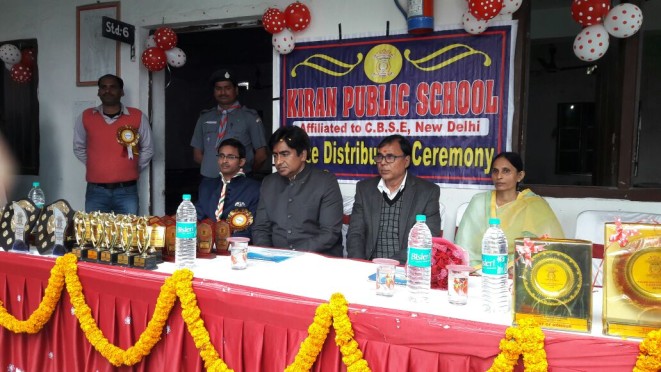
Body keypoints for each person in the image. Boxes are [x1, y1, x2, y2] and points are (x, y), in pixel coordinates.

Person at [455, 151, 565, 267]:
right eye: (495, 171)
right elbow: (464, 245)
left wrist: (515, 265)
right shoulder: (479, 202)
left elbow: (547, 245)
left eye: (506, 171)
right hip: (478, 269)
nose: (499, 176)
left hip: (519, 270)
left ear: (520, 176)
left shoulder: (533, 205)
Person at [346, 135, 441, 263]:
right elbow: (355, 234)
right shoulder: (365, 189)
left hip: (405, 268)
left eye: (390, 157)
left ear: (406, 161)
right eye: (380, 157)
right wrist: (360, 264)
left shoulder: (427, 192)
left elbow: (427, 240)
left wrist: (389, 266)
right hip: (368, 265)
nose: (383, 162)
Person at [252, 126, 343, 256]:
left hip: (317, 261)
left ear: (303, 155)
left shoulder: (325, 182)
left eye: (285, 154)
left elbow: (329, 233)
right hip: (275, 261)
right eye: (275, 155)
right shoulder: (269, 183)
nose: (278, 162)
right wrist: (268, 255)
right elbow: (261, 228)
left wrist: (292, 254)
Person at [73, 74, 153, 215]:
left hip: (127, 192)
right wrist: (95, 165)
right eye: (103, 87)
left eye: (113, 87)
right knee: (95, 236)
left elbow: (148, 148)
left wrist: (133, 166)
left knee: (128, 235)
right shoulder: (86, 116)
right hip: (96, 192)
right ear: (98, 92)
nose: (107, 91)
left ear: (122, 92)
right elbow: (78, 147)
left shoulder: (137, 116)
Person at [190, 69, 267, 208]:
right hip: (210, 181)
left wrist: (246, 171)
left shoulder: (249, 117)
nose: (223, 92)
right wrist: (215, 167)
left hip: (240, 182)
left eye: (227, 88)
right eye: (218, 89)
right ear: (214, 92)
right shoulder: (204, 118)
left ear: (236, 90)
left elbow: (261, 155)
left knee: (239, 221)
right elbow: (197, 155)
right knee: (207, 221)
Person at [196, 138, 260, 239]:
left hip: (239, 246)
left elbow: (255, 228)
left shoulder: (254, 189)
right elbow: (196, 217)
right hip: (206, 245)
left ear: (242, 161)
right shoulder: (207, 186)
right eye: (221, 156)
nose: (224, 160)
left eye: (231, 157)